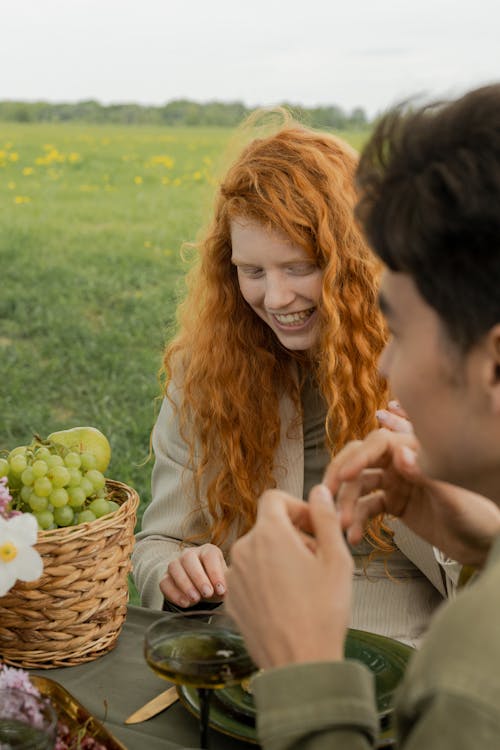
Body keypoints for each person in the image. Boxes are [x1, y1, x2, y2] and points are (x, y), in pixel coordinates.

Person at [225, 83, 500, 749]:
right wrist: (484, 547)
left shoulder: (468, 672)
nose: (383, 368)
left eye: (398, 331)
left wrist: (307, 676)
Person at [132, 115, 456, 645]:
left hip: (402, 650)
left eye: (299, 267)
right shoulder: (208, 369)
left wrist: (427, 485)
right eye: (253, 272)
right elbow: (159, 542)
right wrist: (178, 574)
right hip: (249, 647)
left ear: (353, 264)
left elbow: (480, 567)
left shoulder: (432, 363)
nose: (276, 298)